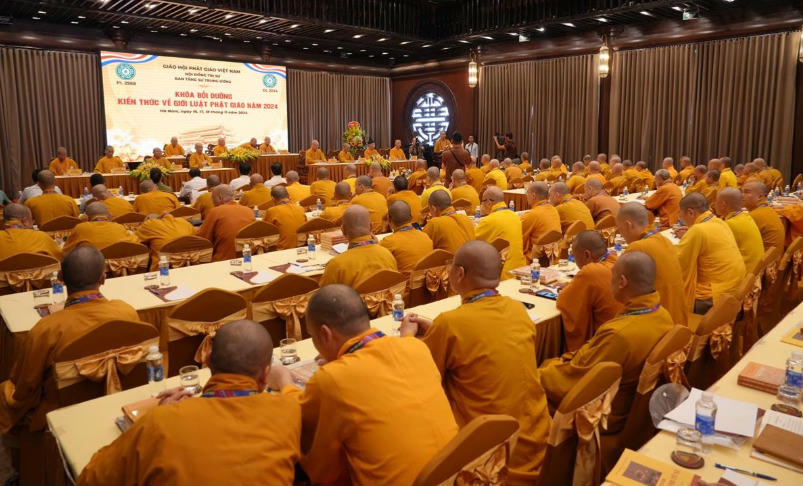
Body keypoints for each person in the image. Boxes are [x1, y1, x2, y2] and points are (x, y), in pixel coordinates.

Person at [270, 285, 456, 484]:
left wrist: (284, 381)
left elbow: (318, 462)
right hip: (455, 474)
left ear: (325, 334)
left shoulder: (332, 379)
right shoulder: (416, 347)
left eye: (313, 337)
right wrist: (342, 358)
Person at [78, 320, 300, 486]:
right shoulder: (289, 411)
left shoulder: (161, 423)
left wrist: (154, 421)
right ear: (265, 375)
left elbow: (90, 479)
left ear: (207, 359)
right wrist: (285, 380)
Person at [401, 241, 550, 478]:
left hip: (494, 456)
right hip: (538, 438)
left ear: (459, 273)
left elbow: (420, 376)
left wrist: (406, 338)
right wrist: (437, 329)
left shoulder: (450, 323)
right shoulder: (517, 309)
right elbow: (483, 336)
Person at [0, 246, 140, 434]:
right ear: (103, 278)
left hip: (60, 415)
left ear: (60, 278)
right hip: (117, 402)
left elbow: (23, 390)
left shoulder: (46, 329)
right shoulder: (126, 312)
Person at [540, 251, 674, 433]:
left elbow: (575, 383)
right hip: (636, 407)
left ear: (622, 282)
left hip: (607, 414)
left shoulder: (619, 335)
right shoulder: (662, 315)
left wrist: (540, 373)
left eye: (613, 276)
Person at [617, 203, 688, 326]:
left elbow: (619, 287)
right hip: (679, 320)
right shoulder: (664, 239)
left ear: (628, 225)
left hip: (660, 323)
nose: (621, 234)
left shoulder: (637, 248)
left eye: (620, 229)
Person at [675, 192, 745, 314]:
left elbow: (678, 264)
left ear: (690, 212)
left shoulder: (697, 230)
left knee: (668, 295)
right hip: (735, 287)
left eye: (680, 214)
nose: (680, 218)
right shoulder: (719, 222)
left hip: (713, 295)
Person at [557, 231, 622, 352]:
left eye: (575, 257)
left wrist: (569, 289)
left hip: (604, 345)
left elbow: (564, 301)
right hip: (622, 334)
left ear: (587, 255)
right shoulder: (617, 261)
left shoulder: (591, 271)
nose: (576, 262)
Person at [318, 206, 397, 287]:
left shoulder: (336, 265)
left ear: (343, 230)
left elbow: (324, 293)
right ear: (371, 227)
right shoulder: (387, 255)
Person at [475, 187, 526, 280]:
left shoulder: (489, 220)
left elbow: (471, 240)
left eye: (482, 202)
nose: (481, 205)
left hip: (503, 274)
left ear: (489, 203)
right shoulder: (515, 216)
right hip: (520, 268)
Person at [196, 185, 255, 261]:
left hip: (223, 259)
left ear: (220, 197)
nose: (212, 201)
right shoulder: (248, 210)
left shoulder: (215, 211)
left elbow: (203, 239)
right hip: (247, 257)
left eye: (213, 198)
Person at [715, 188, 764, 274]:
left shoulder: (730, 224)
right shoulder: (745, 216)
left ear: (723, 204)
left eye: (716, 201)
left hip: (745, 275)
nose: (714, 204)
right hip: (755, 271)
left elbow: (716, 252)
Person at [380, 201, 434, 275]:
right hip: (428, 280)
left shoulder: (388, 242)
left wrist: (383, 230)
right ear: (411, 217)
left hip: (405, 282)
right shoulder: (425, 236)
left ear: (388, 219)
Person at [63, 203, 138, 252]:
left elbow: (66, 251)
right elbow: (136, 244)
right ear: (110, 216)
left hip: (89, 267)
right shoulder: (119, 227)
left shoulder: (80, 228)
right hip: (115, 269)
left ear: (86, 218)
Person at [521, 182, 562, 262]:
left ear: (533, 196)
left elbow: (520, 240)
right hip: (554, 256)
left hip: (535, 259)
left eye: (527, 193)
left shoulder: (532, 214)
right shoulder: (554, 209)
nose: (526, 196)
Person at [742, 181, 785, 251]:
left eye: (746, 192)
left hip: (764, 257)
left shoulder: (753, 216)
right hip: (773, 256)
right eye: (741, 192)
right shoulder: (768, 209)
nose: (741, 195)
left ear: (760, 196)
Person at [264, 185, 306, 250]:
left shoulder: (272, 211)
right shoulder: (300, 208)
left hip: (282, 248)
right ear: (289, 196)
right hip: (301, 246)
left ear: (272, 199)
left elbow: (265, 230)